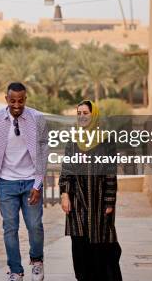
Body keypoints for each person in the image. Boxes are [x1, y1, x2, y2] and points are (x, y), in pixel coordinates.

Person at [0, 82, 48, 281]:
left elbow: (43, 154)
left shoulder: (37, 119)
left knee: (34, 225)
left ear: (25, 99)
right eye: (13, 100)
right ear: (6, 100)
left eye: (21, 100)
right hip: (6, 182)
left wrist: (37, 185)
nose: (17, 105)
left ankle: (37, 260)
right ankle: (15, 270)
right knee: (10, 227)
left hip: (30, 181)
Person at [58, 100, 122, 281]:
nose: (82, 117)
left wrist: (109, 201)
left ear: (93, 115)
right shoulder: (73, 141)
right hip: (77, 201)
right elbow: (67, 170)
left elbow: (111, 172)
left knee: (101, 247)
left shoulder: (106, 141)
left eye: (85, 113)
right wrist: (64, 194)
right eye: (79, 113)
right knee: (79, 246)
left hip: (99, 201)